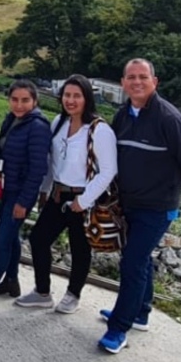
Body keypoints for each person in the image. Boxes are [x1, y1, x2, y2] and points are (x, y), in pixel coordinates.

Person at [98, 58, 181, 354]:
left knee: (131, 263)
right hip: (128, 204)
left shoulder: (169, 119)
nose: (137, 82)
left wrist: (164, 188)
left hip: (156, 209)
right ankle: (140, 312)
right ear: (123, 83)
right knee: (139, 260)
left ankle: (118, 328)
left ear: (154, 82)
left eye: (143, 77)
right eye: (131, 77)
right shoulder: (122, 116)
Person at [16, 74, 116, 315]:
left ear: (87, 98)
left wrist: (83, 200)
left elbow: (109, 170)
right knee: (39, 239)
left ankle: (73, 294)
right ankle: (42, 292)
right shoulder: (59, 122)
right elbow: (52, 161)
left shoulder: (99, 130)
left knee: (80, 249)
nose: (70, 101)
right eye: (67, 95)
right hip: (58, 195)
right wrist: (44, 190)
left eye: (76, 96)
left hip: (84, 200)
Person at [0, 80, 50, 316]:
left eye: (25, 100)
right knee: (11, 239)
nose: (19, 105)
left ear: (35, 101)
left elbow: (38, 170)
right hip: (7, 188)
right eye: (15, 100)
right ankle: (11, 280)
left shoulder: (38, 127)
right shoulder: (13, 120)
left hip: (20, 194)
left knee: (1, 241)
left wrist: (23, 203)